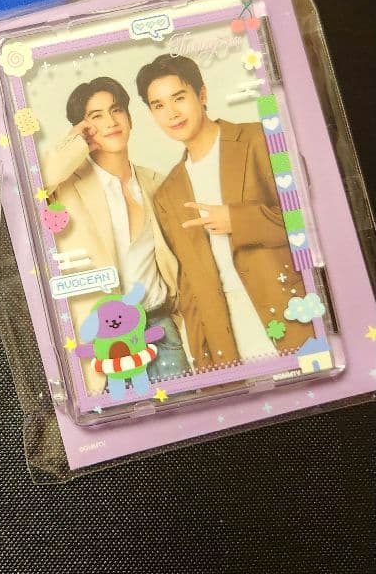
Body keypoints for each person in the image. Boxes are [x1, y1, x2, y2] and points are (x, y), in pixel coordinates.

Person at [136, 53, 313, 370]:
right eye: (158, 105)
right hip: (227, 340)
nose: (171, 113)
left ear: (202, 95)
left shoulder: (261, 139)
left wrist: (238, 219)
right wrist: (205, 361)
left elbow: (311, 219)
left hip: (292, 313)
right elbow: (189, 287)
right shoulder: (168, 193)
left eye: (179, 98)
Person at [42, 76, 190, 392]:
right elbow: (32, 181)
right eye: (96, 116)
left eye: (117, 110)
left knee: (186, 415)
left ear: (130, 118)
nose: (110, 122)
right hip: (105, 341)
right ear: (83, 128)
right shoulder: (65, 189)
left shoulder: (156, 183)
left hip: (160, 329)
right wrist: (75, 144)